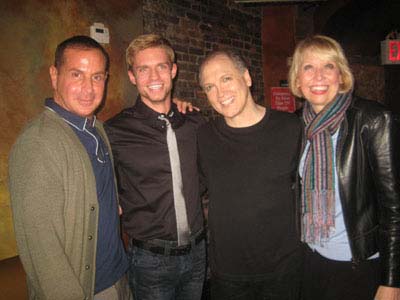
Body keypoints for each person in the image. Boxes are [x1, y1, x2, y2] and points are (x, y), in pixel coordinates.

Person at [8, 35, 131, 300]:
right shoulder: (39, 143)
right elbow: (42, 247)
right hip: (87, 290)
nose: (89, 89)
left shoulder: (95, 129)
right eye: (77, 75)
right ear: (55, 75)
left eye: (97, 77)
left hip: (117, 276)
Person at [288, 34, 400, 300]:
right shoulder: (295, 126)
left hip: (358, 265)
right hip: (310, 258)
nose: (319, 76)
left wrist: (392, 281)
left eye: (328, 66)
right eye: (308, 67)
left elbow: (394, 207)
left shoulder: (373, 120)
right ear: (297, 79)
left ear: (341, 75)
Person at [105, 34, 206, 300]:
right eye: (143, 69)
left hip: (198, 254)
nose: (154, 76)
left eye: (161, 66)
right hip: (150, 261)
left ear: (173, 70)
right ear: (132, 76)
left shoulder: (195, 123)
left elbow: (204, 178)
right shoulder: (115, 131)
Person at [197, 49, 304, 300]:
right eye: (210, 87)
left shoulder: (290, 128)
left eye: (226, 79)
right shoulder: (204, 136)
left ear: (246, 78)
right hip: (227, 274)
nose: (220, 93)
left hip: (284, 270)